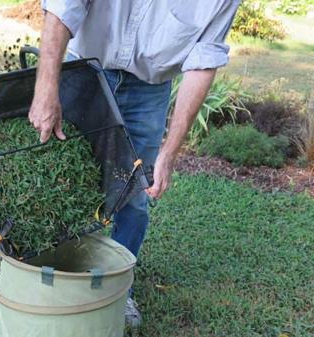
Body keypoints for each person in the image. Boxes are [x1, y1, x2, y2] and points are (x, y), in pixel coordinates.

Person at [29, 0, 241, 327]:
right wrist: (46, 87)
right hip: (84, 67)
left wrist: (169, 153)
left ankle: (116, 289)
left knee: (134, 196)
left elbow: (203, 59)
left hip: (150, 90)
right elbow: (64, 5)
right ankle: (49, 277)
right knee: (64, 180)